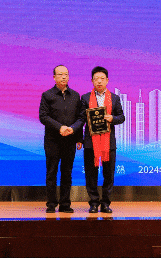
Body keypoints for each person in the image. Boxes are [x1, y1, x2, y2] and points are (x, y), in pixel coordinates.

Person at [39, 65, 83, 213]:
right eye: (60, 74)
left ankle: (65, 204)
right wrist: (60, 127)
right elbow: (43, 116)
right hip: (52, 140)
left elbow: (80, 117)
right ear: (54, 77)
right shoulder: (47, 95)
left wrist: (78, 136)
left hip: (70, 140)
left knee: (67, 172)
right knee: (51, 172)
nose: (64, 77)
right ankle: (51, 204)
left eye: (66, 74)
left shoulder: (75, 96)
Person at [80, 66, 125, 214]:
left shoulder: (115, 98)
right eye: (96, 79)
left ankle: (105, 203)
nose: (99, 81)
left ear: (107, 80)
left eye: (102, 79)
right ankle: (93, 203)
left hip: (108, 142)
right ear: (92, 81)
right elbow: (81, 119)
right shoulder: (85, 98)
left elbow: (121, 117)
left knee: (108, 174)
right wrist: (79, 138)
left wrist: (112, 118)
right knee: (91, 174)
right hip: (90, 142)